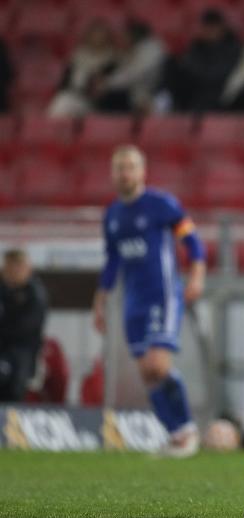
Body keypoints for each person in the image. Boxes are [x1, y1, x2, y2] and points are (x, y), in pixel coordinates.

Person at [92, 146, 206, 456]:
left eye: (130, 166)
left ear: (142, 172)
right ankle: (176, 435)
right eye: (119, 167)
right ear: (113, 174)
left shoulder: (161, 204)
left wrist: (196, 275)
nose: (125, 173)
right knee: (146, 372)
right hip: (133, 301)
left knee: (158, 365)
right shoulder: (113, 214)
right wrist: (100, 301)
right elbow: (113, 261)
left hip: (163, 295)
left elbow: (191, 239)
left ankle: (187, 430)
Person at [164, 9, 243, 113]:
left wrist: (199, 73)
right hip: (195, 93)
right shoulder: (196, 47)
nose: (210, 30)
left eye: (214, 26)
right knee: (171, 64)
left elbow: (220, 74)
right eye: (207, 26)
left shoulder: (233, 47)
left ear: (222, 28)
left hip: (222, 95)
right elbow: (187, 67)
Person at [0, 249, 48, 402]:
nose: (14, 272)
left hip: (22, 353)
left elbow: (26, 329)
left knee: (14, 385)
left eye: (18, 267)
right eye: (10, 267)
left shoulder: (34, 294)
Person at [47, 19, 119, 118]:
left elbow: (107, 86)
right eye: (95, 34)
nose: (98, 38)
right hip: (74, 96)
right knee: (63, 100)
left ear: (108, 38)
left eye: (101, 35)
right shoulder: (78, 56)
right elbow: (65, 83)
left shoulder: (112, 59)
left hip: (95, 103)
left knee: (64, 102)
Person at [93, 20, 165, 114]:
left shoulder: (151, 49)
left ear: (133, 36)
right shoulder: (135, 50)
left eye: (125, 36)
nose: (122, 39)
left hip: (160, 95)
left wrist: (106, 84)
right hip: (141, 93)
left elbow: (133, 74)